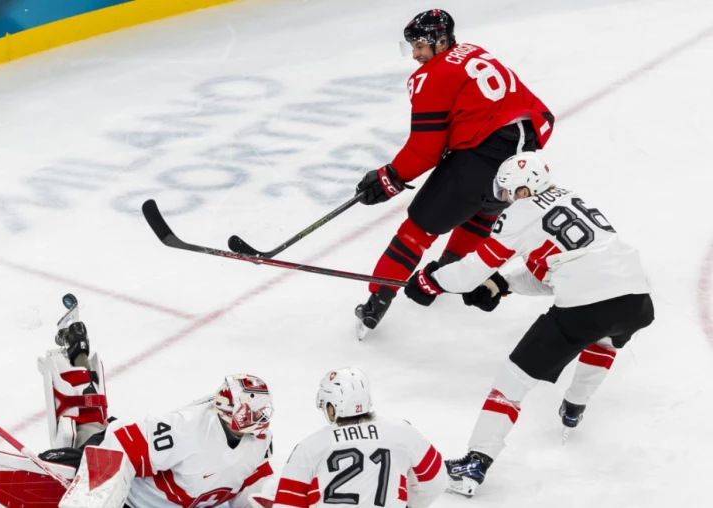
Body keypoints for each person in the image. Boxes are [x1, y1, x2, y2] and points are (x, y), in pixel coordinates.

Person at [402, 153, 654, 497]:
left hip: (586, 305)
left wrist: (432, 280)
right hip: (637, 298)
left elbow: (469, 272)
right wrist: (502, 284)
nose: (503, 199)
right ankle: (575, 406)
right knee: (605, 338)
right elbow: (559, 269)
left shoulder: (520, 214)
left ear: (523, 191)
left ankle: (474, 465)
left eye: (507, 192)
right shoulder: (570, 197)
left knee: (511, 382)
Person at [0, 301, 275, 508]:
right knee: (41, 473)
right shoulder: (185, 427)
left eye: (260, 414)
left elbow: (250, 483)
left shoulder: (259, 440)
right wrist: (96, 500)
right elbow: (118, 447)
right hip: (120, 494)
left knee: (89, 426)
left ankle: (76, 352)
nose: (257, 420)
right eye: (250, 412)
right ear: (226, 409)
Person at [353, 8, 555, 339]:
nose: (415, 55)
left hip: (481, 157)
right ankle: (448, 272)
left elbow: (426, 148)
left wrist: (389, 176)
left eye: (419, 46)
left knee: (416, 230)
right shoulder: (473, 51)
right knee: (480, 215)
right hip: (522, 158)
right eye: (412, 47)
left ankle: (377, 302)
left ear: (442, 41)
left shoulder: (431, 76)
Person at [253, 367, 445, 508]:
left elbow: (287, 505)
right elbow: (438, 481)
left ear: (332, 407)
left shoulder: (310, 446)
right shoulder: (402, 431)